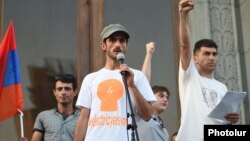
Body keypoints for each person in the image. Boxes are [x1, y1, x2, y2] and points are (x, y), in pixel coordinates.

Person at [74, 24, 156, 141]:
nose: (117, 44)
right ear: (103, 45)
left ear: (126, 45)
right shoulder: (90, 79)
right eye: (112, 40)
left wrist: (132, 85)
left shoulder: (137, 76)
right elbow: (83, 118)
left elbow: (148, 115)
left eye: (122, 41)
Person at [177, 0, 240, 141]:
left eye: (214, 54)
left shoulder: (222, 87)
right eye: (206, 53)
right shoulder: (189, 75)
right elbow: (184, 46)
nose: (212, 57)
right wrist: (183, 15)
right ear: (195, 58)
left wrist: (232, 120)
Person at [31, 74, 79, 141]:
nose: (63, 92)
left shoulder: (82, 118)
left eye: (67, 89)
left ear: (75, 92)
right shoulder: (43, 116)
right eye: (59, 89)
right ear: (54, 92)